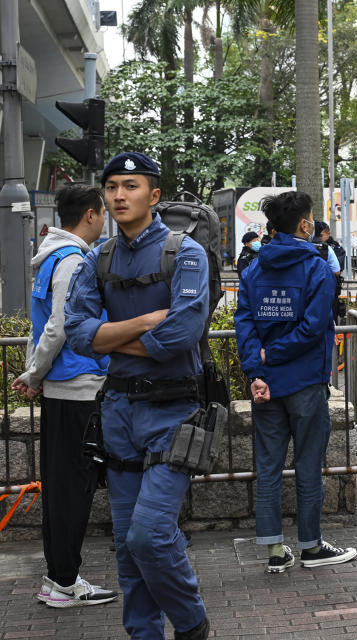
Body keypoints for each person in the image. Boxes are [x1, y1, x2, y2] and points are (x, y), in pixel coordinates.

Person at [64, 152, 210, 639]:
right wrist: (144, 323)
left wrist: (112, 336)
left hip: (174, 412)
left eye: (130, 185)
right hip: (119, 412)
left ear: (154, 194)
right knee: (127, 548)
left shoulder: (185, 253)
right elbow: (78, 333)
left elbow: (182, 334)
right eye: (111, 187)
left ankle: (191, 624)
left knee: (149, 536)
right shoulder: (96, 258)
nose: (119, 195)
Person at [234, 191, 357, 574]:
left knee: (268, 466)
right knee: (307, 465)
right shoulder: (317, 269)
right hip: (304, 382)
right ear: (304, 224)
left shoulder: (253, 270)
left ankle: (274, 551)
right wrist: (273, 356)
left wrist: (257, 368)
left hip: (266, 386)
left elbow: (245, 322)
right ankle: (311, 546)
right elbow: (313, 327)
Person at [14, 184, 117, 609]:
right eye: (105, 209)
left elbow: (39, 326)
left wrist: (35, 372)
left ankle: (57, 576)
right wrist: (34, 373)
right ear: (91, 215)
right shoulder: (75, 261)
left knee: (61, 486)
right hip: (79, 387)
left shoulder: (50, 257)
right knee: (75, 486)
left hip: (61, 387)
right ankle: (64, 581)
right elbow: (60, 327)